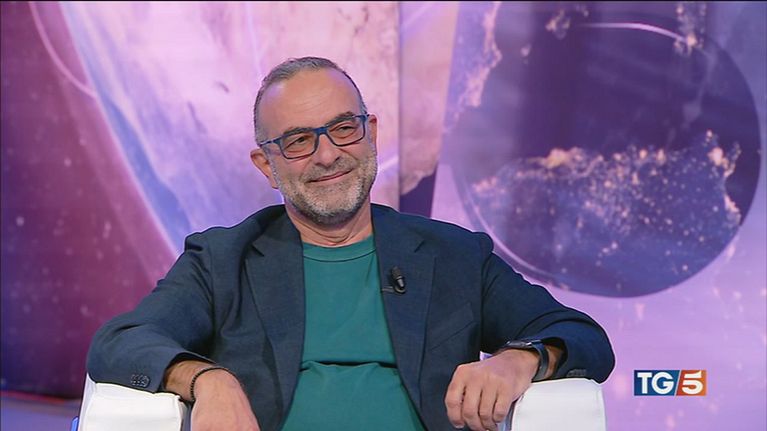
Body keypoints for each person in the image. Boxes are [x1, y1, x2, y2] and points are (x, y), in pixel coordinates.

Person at [87, 56, 614, 431]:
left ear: (371, 134)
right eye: (298, 141)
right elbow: (120, 342)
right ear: (266, 165)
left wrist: (518, 360)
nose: (327, 155)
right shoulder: (222, 259)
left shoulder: (454, 255)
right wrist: (207, 378)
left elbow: (581, 335)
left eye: (343, 129)